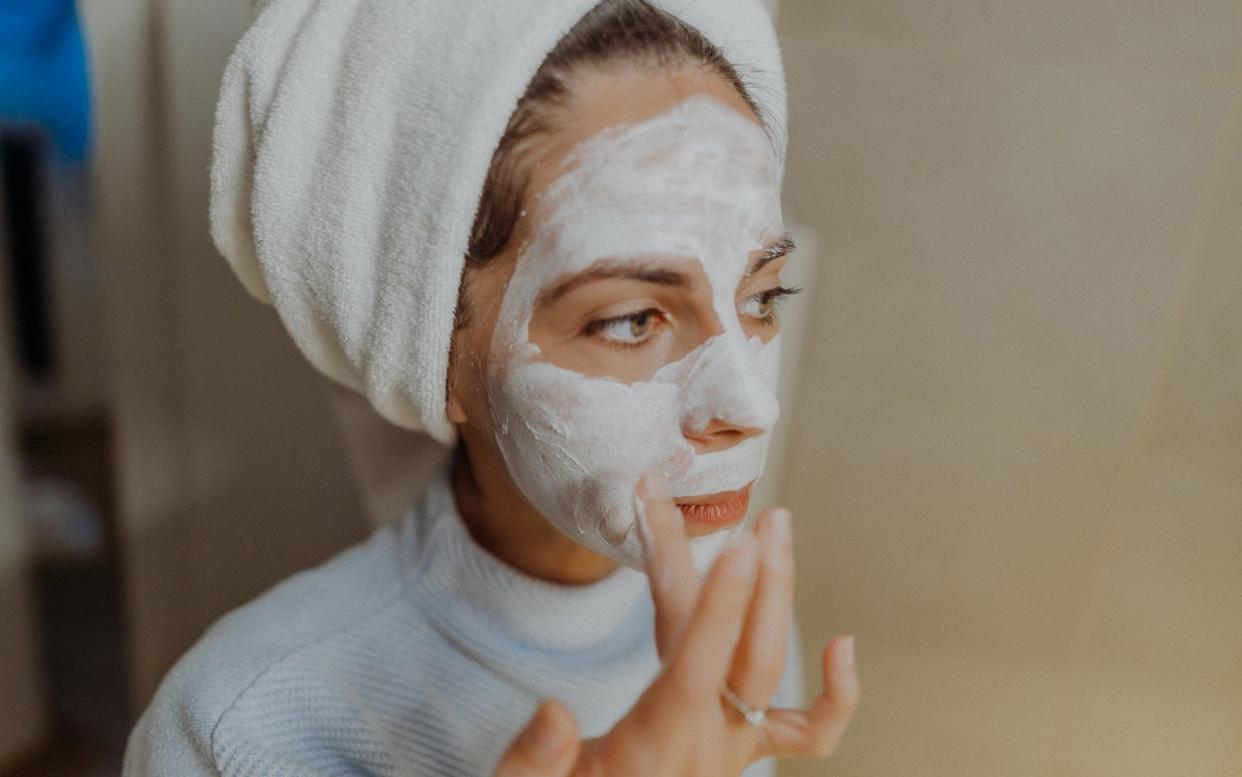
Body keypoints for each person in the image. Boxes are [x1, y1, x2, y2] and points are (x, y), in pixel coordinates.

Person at [122, 1, 860, 775]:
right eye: (632, 319)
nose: (750, 407)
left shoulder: (733, 612)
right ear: (438, 355)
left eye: (762, 298)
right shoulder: (239, 728)